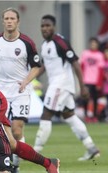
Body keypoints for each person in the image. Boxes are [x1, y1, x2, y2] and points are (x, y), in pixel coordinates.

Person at [0, 8, 42, 173]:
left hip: (21, 91)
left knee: (16, 129)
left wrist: (26, 81)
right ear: (3, 21)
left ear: (17, 21)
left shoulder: (26, 43)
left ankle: (15, 164)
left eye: (12, 18)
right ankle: (1, 160)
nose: (9, 21)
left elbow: (36, 67)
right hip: (0, 93)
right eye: (6, 18)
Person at [33, 15, 100, 161]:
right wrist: (29, 79)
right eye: (42, 26)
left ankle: (34, 152)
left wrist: (82, 87)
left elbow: (75, 63)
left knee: (46, 114)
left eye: (48, 25)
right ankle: (91, 147)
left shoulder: (61, 42)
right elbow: (44, 66)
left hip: (61, 84)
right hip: (57, 85)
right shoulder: (45, 45)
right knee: (69, 115)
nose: (45, 28)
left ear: (54, 27)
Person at [79, 37, 105, 122]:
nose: (93, 45)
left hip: (95, 81)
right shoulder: (85, 53)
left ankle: (94, 116)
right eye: (92, 43)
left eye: (95, 43)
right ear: (89, 44)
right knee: (85, 98)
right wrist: (81, 79)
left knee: (95, 99)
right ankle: (86, 115)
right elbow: (81, 66)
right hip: (86, 80)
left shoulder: (100, 55)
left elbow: (101, 70)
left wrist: (99, 83)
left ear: (97, 45)